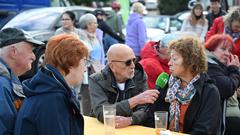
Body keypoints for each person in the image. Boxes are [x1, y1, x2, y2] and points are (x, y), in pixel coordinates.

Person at [14, 34, 89, 135]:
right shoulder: (52, 99)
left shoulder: (50, 89)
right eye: (84, 62)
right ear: (71, 62)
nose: (85, 69)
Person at [146, 37, 221, 134]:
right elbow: (152, 118)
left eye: (174, 59)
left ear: (190, 61)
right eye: (170, 59)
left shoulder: (209, 91)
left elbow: (204, 130)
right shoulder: (167, 85)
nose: (169, 63)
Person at [89, 44, 160, 128]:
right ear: (112, 66)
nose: (133, 66)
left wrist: (130, 120)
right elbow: (102, 113)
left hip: (131, 129)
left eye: (134, 60)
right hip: (103, 129)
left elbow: (145, 109)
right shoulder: (97, 80)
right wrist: (135, 100)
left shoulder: (139, 75)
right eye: (128, 62)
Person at [0, 28, 44, 134]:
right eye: (31, 51)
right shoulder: (1, 84)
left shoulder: (6, 80)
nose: (34, 57)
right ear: (14, 51)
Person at [205, 34, 240, 135]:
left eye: (229, 51)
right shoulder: (209, 64)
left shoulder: (221, 65)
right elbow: (227, 88)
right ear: (211, 49)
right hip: (222, 118)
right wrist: (234, 69)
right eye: (223, 49)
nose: (227, 53)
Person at [78, 13, 105, 116]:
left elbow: (101, 52)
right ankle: (86, 118)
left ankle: (95, 116)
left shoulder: (98, 34)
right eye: (94, 23)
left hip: (98, 68)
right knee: (87, 96)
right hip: (87, 69)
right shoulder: (81, 36)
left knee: (98, 94)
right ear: (88, 24)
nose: (97, 25)